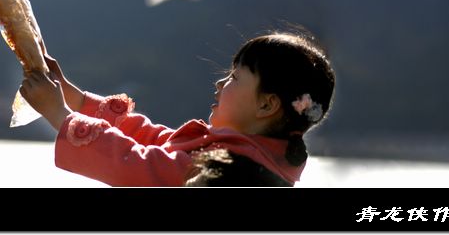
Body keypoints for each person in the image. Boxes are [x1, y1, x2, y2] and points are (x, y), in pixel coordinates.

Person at [20, 31, 335, 187]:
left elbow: (136, 165)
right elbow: (153, 140)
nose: (220, 84)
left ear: (267, 104)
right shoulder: (244, 156)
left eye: (235, 78)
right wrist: (74, 99)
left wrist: (60, 114)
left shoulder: (231, 176)